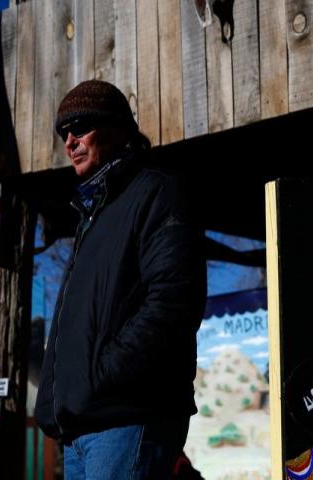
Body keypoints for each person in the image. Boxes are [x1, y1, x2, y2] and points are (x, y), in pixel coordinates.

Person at [35, 80, 206, 479]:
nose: (70, 141)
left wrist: (103, 375)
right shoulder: (92, 216)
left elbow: (173, 302)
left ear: (116, 128)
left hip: (128, 417)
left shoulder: (156, 192)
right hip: (81, 427)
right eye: (64, 133)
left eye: (80, 126)